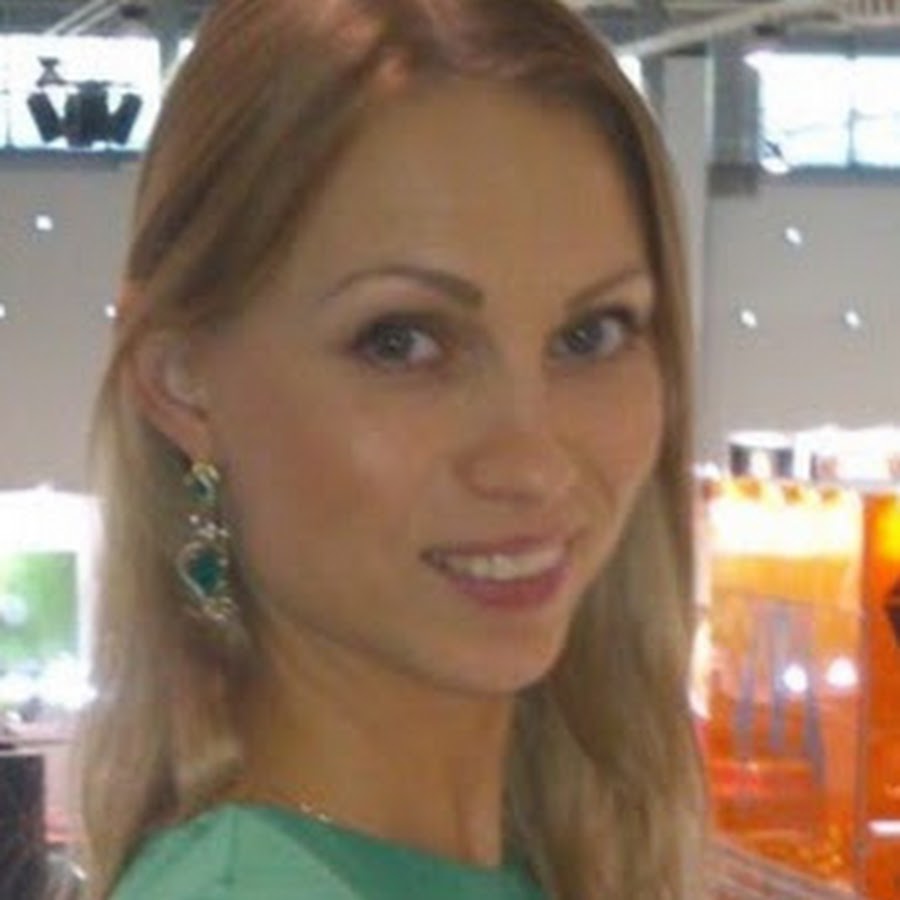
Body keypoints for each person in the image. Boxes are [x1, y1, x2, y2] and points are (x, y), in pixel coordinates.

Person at [75, 0, 707, 898]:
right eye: (402, 342)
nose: (532, 464)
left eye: (591, 335)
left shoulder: (539, 856)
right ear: (181, 382)